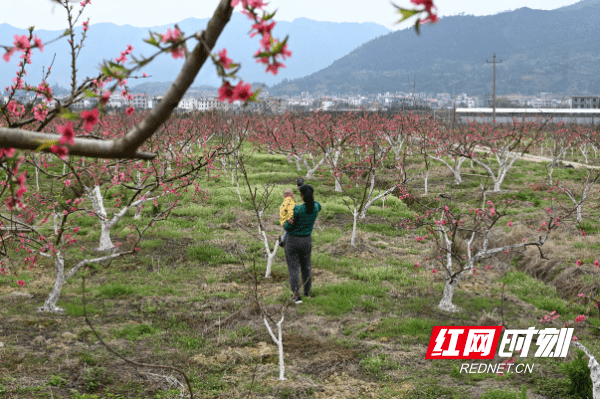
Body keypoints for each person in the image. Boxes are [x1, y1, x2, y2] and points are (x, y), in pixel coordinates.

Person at [283, 184, 321, 304]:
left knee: (294, 269)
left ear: (301, 196)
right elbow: (318, 204)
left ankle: (297, 297)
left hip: (293, 241)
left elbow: (287, 227)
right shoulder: (315, 207)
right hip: (306, 241)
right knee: (306, 267)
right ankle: (307, 292)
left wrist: (287, 222)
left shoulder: (297, 210)